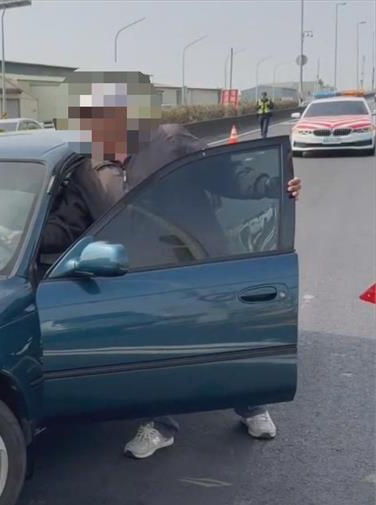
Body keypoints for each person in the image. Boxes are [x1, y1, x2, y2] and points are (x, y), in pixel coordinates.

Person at [49, 70, 302, 459]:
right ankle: (161, 424)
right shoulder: (91, 172)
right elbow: (68, 223)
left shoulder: (167, 140)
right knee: (156, 351)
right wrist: (14, 238)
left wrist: (274, 185)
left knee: (224, 335)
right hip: (145, 275)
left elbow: (225, 173)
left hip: (200, 259)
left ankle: (252, 405)